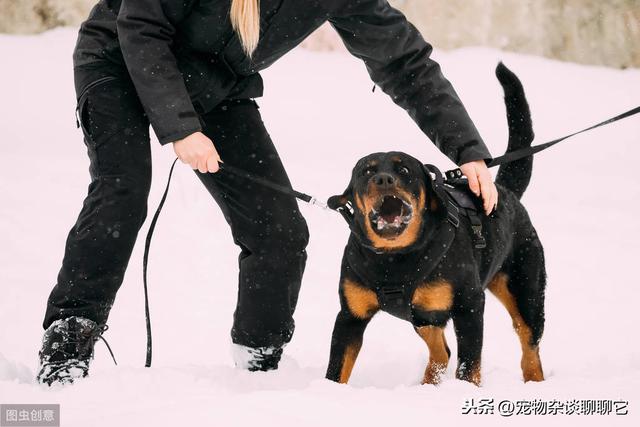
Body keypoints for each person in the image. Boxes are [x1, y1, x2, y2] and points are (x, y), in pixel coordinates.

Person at [36, 0, 498, 386]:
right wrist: (180, 126)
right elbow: (141, 23)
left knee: (279, 230)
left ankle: (258, 365)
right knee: (124, 190)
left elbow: (403, 60)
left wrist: (467, 150)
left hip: (215, 87)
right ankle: (69, 338)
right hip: (118, 58)